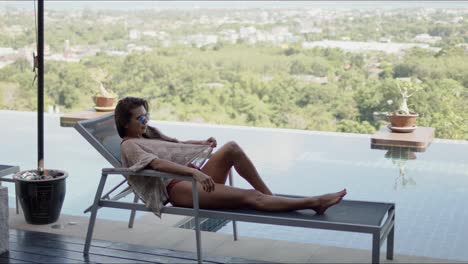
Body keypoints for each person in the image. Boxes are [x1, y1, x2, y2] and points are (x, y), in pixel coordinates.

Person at [115, 96, 346, 216]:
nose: (146, 122)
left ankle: (270, 197)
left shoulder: (149, 134)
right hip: (178, 189)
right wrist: (193, 172)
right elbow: (158, 164)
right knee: (249, 197)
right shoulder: (130, 145)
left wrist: (201, 143)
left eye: (147, 116)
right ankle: (316, 203)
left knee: (231, 148)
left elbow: (176, 145)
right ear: (125, 123)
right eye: (141, 119)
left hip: (191, 180)